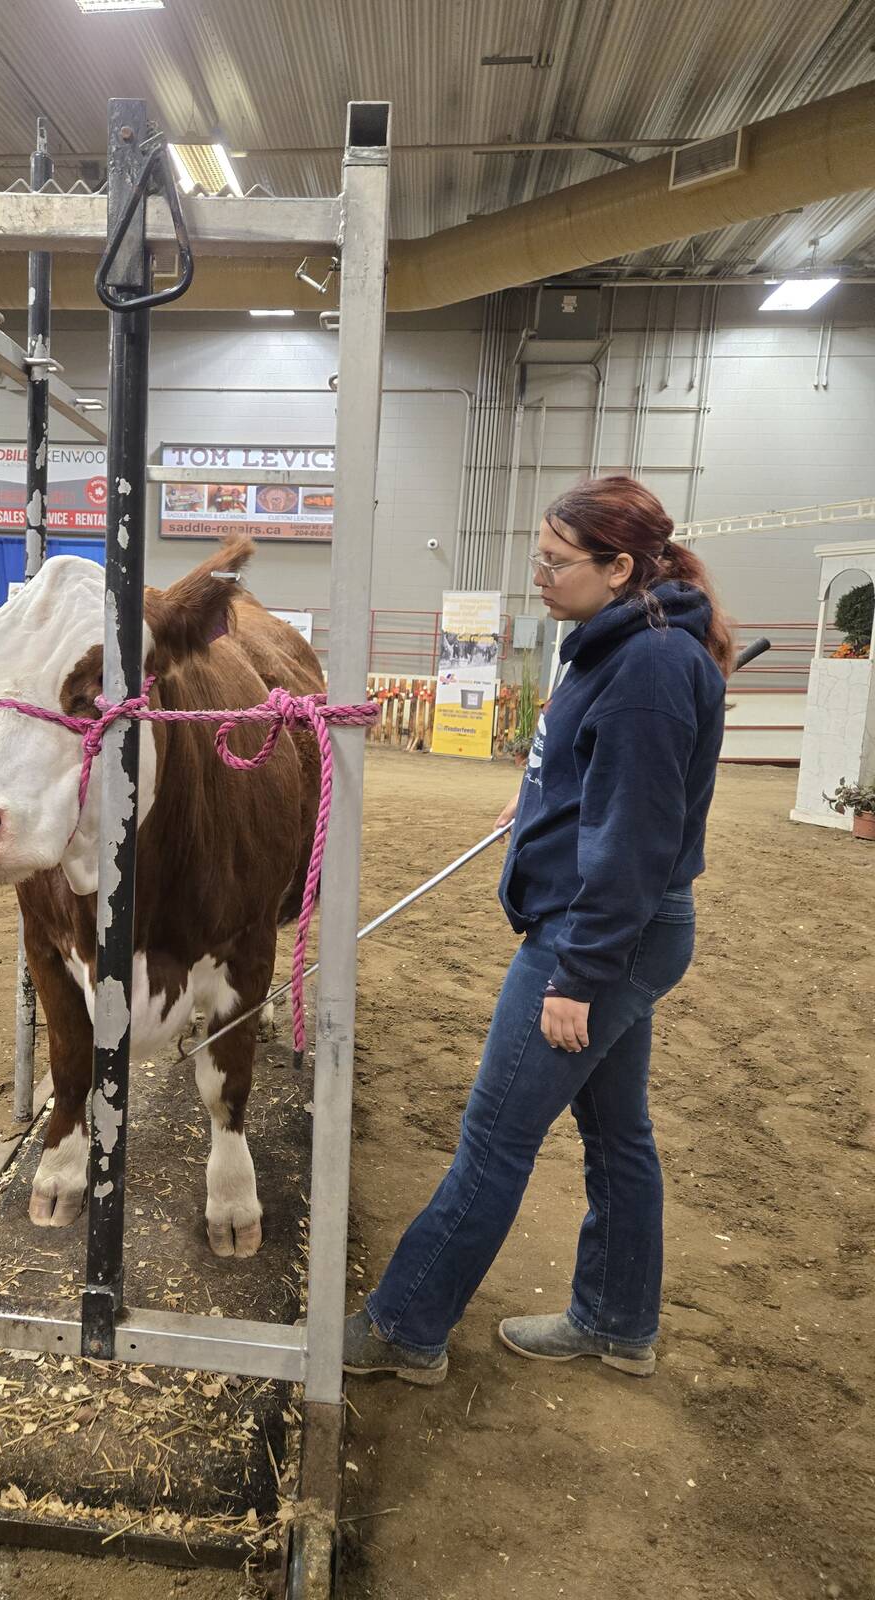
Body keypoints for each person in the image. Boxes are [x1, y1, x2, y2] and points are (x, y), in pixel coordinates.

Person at [343, 475, 732, 1386]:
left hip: (600, 935)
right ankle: (617, 1320)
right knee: (618, 1133)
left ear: (621, 567)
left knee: (496, 1136)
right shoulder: (611, 647)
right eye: (538, 560)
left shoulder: (646, 669)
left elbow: (635, 844)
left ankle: (406, 1328)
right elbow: (602, 790)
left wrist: (578, 977)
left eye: (557, 563)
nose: (541, 578)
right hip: (612, 923)